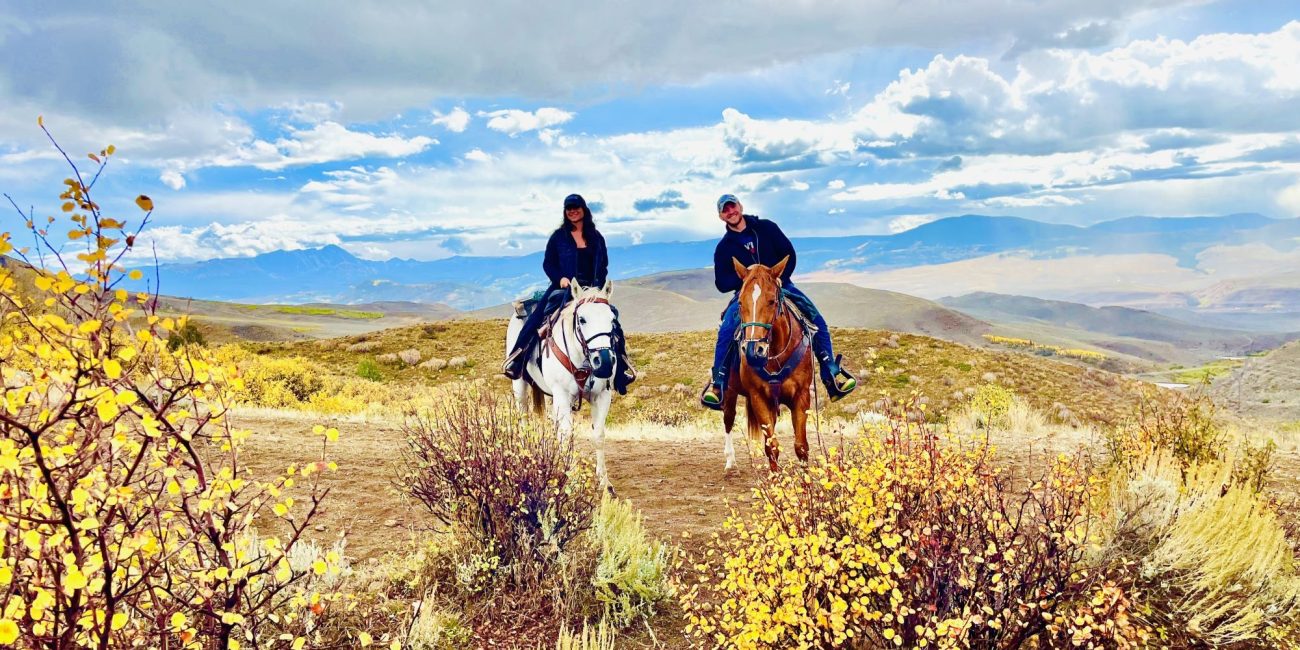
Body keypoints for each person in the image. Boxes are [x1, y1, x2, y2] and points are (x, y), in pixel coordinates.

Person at [700, 193, 856, 408]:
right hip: (749, 295)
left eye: (732, 207)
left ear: (740, 206)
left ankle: (831, 374)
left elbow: (788, 254)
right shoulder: (724, 247)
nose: (731, 212)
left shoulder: (767, 228)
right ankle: (718, 384)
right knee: (726, 330)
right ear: (721, 216)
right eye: (725, 210)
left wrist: (778, 278)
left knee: (816, 319)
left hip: (781, 286)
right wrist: (747, 280)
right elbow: (721, 282)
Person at [503, 194, 636, 393]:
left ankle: (621, 370)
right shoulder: (558, 237)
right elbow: (548, 264)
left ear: (584, 210)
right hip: (563, 288)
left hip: (591, 291)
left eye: (576, 207)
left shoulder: (596, 237)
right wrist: (560, 279)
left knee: (613, 322)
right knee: (537, 318)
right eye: (568, 208)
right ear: (565, 212)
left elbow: (603, 265)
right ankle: (518, 358)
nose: (572, 211)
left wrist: (597, 287)